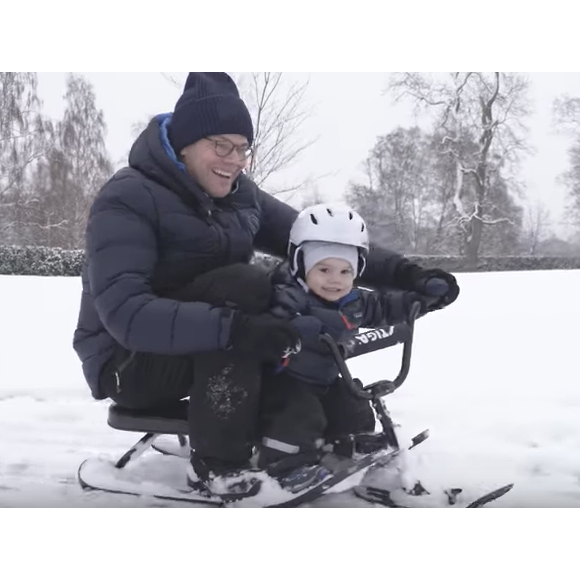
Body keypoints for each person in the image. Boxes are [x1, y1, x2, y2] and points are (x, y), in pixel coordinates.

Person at [73, 72, 460, 502]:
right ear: (183, 144)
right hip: (128, 365)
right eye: (221, 145)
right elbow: (126, 314)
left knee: (287, 311)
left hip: (208, 344)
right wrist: (238, 329)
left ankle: (324, 435)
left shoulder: (240, 196)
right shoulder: (128, 198)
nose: (234, 159)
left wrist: (410, 276)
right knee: (248, 288)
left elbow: (321, 241)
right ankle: (219, 468)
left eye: (242, 148)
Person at [254, 204, 452, 492]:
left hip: (324, 380)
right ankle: (284, 467)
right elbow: (269, 321)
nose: (335, 279)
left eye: (345, 271)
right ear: (300, 265)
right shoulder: (288, 295)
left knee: (353, 404)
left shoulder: (353, 300)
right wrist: (291, 326)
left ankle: (347, 446)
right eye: (324, 269)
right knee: (300, 414)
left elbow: (384, 305)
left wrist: (418, 301)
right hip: (284, 381)